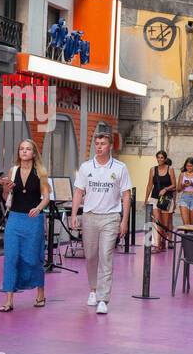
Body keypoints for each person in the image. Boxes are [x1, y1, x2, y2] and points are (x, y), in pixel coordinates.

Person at [71, 129, 133, 315]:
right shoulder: (86, 167)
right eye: (96, 144)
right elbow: (78, 192)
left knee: (106, 256)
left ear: (110, 146)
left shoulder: (120, 168)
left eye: (103, 144)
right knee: (90, 256)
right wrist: (75, 214)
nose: (99, 147)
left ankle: (103, 298)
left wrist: (124, 221)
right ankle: (93, 289)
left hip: (110, 218)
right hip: (90, 216)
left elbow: (126, 195)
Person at [0, 138, 49, 312]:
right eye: (21, 149)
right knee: (11, 257)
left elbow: (46, 197)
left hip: (33, 219)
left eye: (28, 149)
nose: (24, 152)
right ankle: (9, 299)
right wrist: (7, 188)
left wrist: (38, 208)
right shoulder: (13, 171)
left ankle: (40, 294)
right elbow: (6, 198)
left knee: (34, 257)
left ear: (34, 153)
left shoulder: (41, 172)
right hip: (15, 218)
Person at [146, 151, 177, 252]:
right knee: (157, 222)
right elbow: (149, 185)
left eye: (162, 158)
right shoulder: (153, 170)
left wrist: (165, 189)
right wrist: (146, 199)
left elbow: (174, 185)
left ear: (165, 159)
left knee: (165, 225)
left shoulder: (170, 169)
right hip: (155, 198)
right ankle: (157, 245)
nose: (159, 159)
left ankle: (163, 243)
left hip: (166, 200)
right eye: (158, 157)